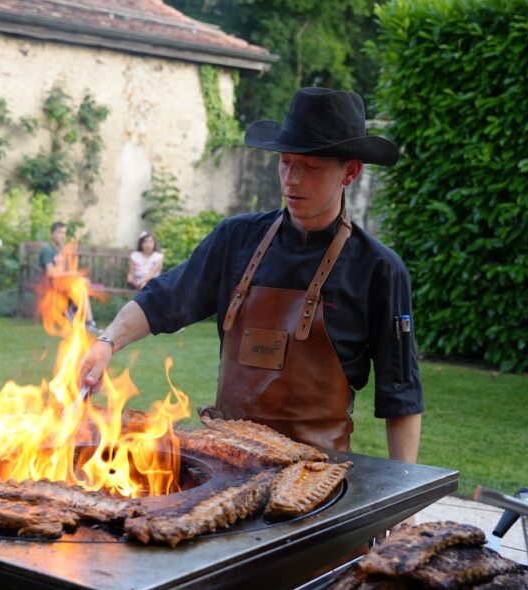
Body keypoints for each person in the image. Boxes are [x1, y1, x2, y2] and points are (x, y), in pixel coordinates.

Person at [79, 87, 422, 463]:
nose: (292, 179)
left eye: (311, 167)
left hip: (316, 479)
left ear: (351, 172)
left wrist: (403, 502)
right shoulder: (236, 239)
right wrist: (107, 341)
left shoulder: (379, 270)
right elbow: (165, 298)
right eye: (286, 162)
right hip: (225, 466)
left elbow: (400, 396)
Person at [39, 220, 98, 334]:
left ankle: (81, 317)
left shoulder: (61, 250)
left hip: (63, 283)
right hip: (51, 284)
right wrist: (73, 275)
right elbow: (51, 273)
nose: (62, 236)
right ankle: (88, 322)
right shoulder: (48, 250)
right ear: (52, 234)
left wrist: (74, 275)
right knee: (80, 286)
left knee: (81, 285)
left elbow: (68, 270)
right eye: (59, 232)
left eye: (64, 233)